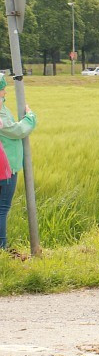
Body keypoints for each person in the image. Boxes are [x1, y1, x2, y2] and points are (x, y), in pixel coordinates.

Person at [0, 72, 35, 256]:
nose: (5, 93)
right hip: (6, 168)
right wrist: (30, 117)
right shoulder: (1, 115)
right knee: (2, 208)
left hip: (5, 167)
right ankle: (1, 249)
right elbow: (17, 130)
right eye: (3, 89)